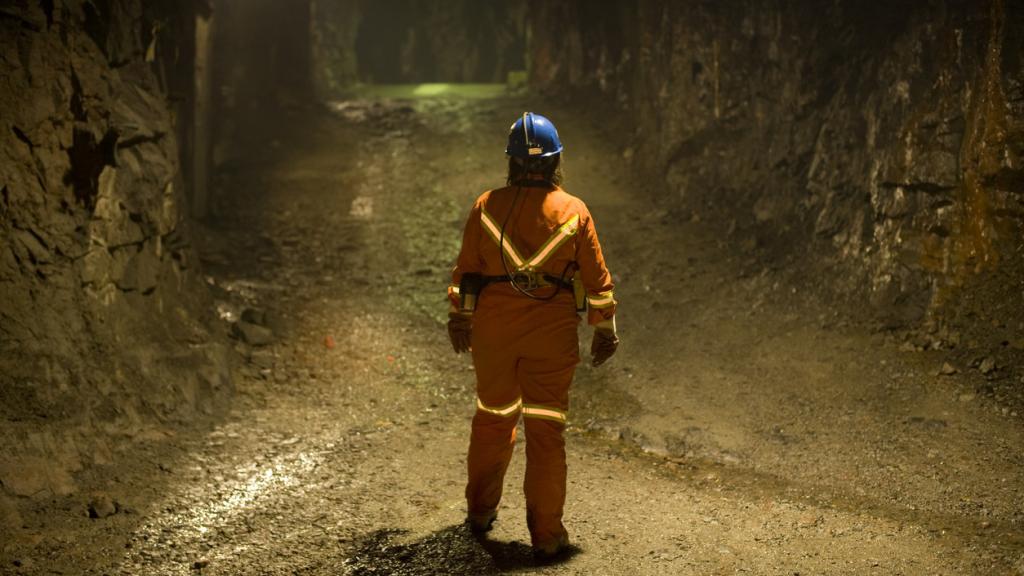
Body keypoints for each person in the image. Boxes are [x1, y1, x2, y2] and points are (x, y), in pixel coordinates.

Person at [446, 112, 619, 559]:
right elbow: (597, 281)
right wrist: (605, 329)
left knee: (492, 419)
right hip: (552, 336)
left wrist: (461, 317)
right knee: (545, 432)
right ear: (556, 160)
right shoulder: (575, 211)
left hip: (494, 334)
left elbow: (466, 274)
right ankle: (546, 536)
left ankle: (480, 513)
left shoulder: (487, 205)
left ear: (511, 162)